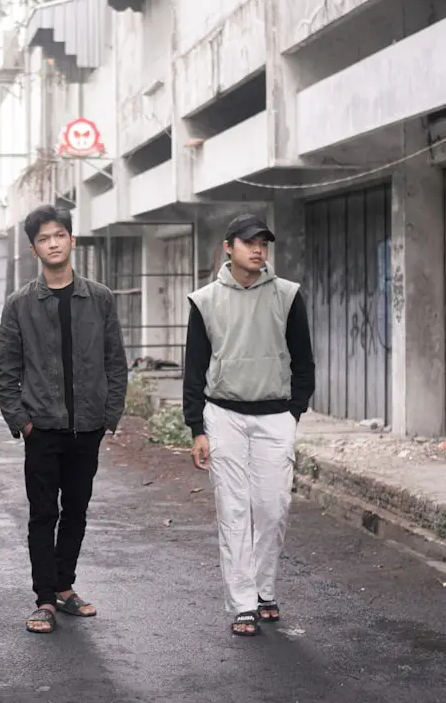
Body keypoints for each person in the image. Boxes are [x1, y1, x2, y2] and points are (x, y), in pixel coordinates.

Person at [0, 205, 128, 635]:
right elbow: (6, 372)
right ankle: (44, 599)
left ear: (72, 240)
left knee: (77, 511)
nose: (53, 242)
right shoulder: (20, 304)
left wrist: (109, 416)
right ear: (34, 248)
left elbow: (115, 361)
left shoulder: (100, 297)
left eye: (60, 235)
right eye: (44, 238)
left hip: (87, 427)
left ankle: (65, 587)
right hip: (43, 430)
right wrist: (23, 422)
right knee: (41, 514)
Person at [183, 213, 315, 637]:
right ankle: (244, 603)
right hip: (224, 415)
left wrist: (294, 410)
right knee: (234, 510)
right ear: (228, 247)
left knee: (273, 508)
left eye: (263, 243)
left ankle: (265, 588)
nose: (258, 249)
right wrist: (196, 428)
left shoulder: (287, 295)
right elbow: (195, 369)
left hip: (275, 416)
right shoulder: (205, 300)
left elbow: (303, 360)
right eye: (249, 242)